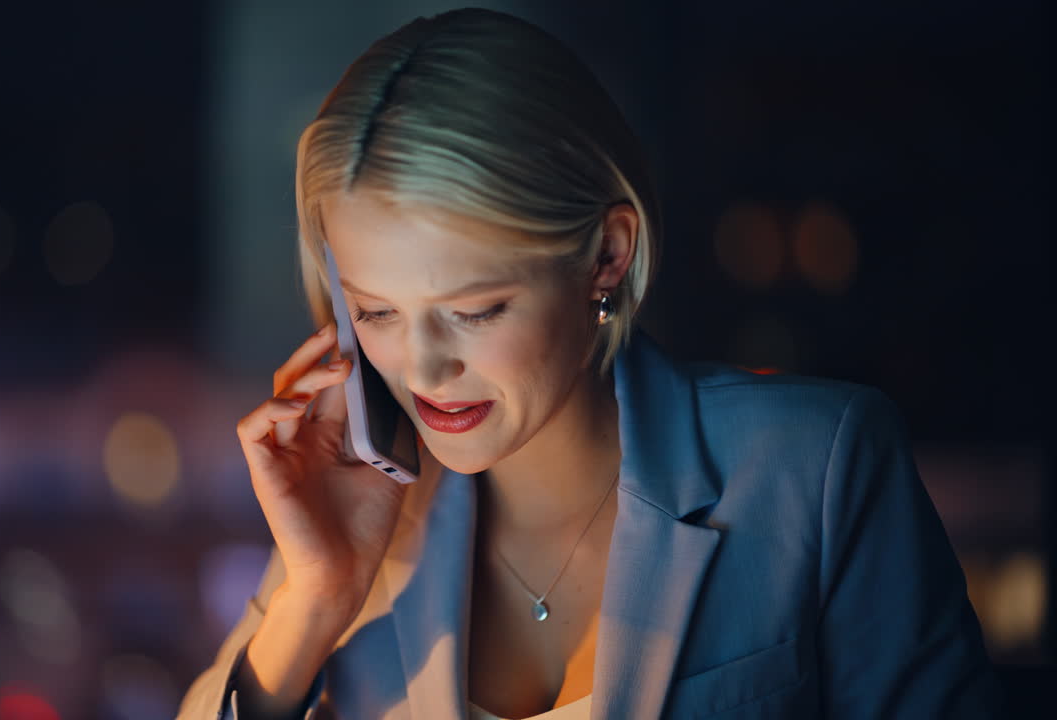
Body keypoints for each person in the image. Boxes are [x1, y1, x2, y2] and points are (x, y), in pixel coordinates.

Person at [177, 8, 1002, 719]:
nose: (422, 367)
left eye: (475, 311)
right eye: (377, 313)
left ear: (607, 254)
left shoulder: (814, 467)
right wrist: (314, 600)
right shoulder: (358, 515)